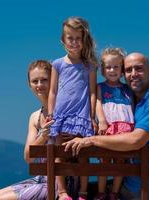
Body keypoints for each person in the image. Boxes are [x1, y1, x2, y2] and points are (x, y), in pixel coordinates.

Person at [63, 52, 149, 200]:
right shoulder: (134, 100)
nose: (133, 74)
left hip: (142, 190)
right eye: (129, 70)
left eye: (139, 69)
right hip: (131, 181)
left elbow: (136, 140)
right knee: (78, 191)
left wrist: (91, 140)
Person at [0, 60, 56, 200]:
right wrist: (43, 136)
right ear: (29, 85)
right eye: (35, 81)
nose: (40, 85)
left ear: (53, 81)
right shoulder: (35, 117)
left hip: (59, 184)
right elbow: (29, 157)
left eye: (44, 80)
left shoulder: (63, 111)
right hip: (41, 180)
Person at [47, 16, 98, 200]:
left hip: (81, 117)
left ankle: (83, 192)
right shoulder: (57, 64)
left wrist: (92, 116)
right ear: (63, 40)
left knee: (83, 154)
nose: (74, 42)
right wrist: (51, 115)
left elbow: (93, 92)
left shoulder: (90, 65)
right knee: (60, 153)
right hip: (61, 116)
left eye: (78, 38)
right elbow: (52, 91)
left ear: (84, 40)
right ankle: (62, 192)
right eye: (70, 38)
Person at [94, 48, 135, 200]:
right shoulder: (100, 87)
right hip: (108, 126)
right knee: (104, 161)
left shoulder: (127, 89)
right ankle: (101, 191)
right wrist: (102, 121)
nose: (112, 70)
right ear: (103, 70)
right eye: (108, 67)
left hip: (125, 128)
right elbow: (98, 104)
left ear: (122, 69)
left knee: (120, 161)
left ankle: (114, 192)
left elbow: (131, 108)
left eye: (116, 66)